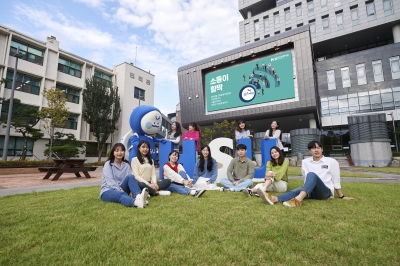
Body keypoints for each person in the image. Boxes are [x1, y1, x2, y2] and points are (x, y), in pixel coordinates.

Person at [258, 140, 355, 207]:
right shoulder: (305, 162)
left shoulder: (331, 161)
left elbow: (336, 180)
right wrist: (303, 189)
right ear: (310, 150)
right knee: (294, 191)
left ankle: (298, 200)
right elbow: (306, 179)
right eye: (313, 148)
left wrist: (341, 196)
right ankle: (274, 199)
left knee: (311, 175)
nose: (316, 150)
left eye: (318, 148)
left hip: (324, 191)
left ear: (322, 149)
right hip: (310, 191)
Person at [100, 143, 148, 208]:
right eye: (117, 151)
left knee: (130, 176)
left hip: (122, 188)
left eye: (122, 150)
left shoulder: (126, 165)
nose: (119, 153)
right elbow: (110, 182)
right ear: (113, 153)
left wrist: (131, 191)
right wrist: (120, 190)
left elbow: (130, 181)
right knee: (121, 194)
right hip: (108, 191)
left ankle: (138, 196)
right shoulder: (108, 164)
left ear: (124, 152)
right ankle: (136, 203)